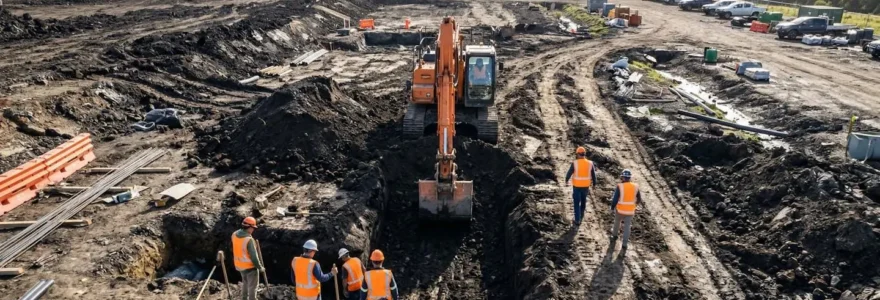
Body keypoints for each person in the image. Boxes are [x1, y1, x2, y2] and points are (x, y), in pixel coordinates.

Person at [231, 217, 264, 300]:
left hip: (239, 265)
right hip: (250, 268)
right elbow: (254, 257)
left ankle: (244, 298)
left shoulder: (234, 234)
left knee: (245, 283)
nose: (253, 230)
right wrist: (260, 268)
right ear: (249, 227)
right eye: (253, 228)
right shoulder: (249, 240)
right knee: (252, 287)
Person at [610, 169, 642, 250]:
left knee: (617, 222)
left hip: (620, 210)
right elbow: (639, 199)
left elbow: (615, 199)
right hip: (630, 211)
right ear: (629, 178)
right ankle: (624, 244)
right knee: (627, 226)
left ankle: (614, 236)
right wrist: (634, 205)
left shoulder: (620, 186)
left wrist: (612, 207)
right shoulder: (635, 186)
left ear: (623, 177)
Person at [564, 146, 597, 226]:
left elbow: (569, 173)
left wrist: (566, 180)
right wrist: (594, 184)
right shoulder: (590, 163)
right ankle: (581, 214)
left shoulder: (575, 163)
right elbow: (593, 175)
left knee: (576, 202)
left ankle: (577, 219)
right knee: (583, 200)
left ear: (578, 154)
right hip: (586, 186)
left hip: (577, 186)